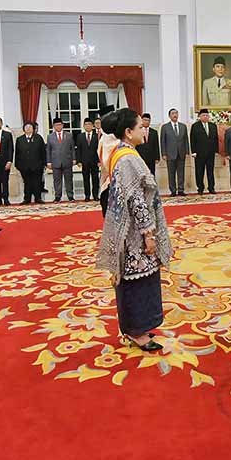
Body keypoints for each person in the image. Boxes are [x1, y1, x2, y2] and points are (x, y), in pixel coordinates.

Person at [96, 108, 173, 352]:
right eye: (140, 127)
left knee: (138, 279)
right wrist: (148, 234)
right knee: (137, 280)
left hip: (131, 231)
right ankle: (137, 331)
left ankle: (135, 327)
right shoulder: (128, 158)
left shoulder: (124, 152)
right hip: (134, 235)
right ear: (128, 132)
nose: (144, 130)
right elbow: (136, 200)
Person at [160, 108, 189, 196]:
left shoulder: (183, 126)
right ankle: (173, 190)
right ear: (169, 116)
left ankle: (181, 189)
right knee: (171, 173)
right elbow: (162, 141)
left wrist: (187, 151)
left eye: (176, 113)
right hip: (170, 154)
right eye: (173, 113)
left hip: (181, 153)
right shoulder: (165, 127)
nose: (175, 115)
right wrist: (164, 154)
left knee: (181, 173)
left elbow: (186, 140)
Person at [15, 122, 46, 204]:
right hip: (24, 166)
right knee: (27, 183)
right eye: (26, 127)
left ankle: (38, 198)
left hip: (37, 165)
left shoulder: (38, 138)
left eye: (30, 127)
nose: (28, 129)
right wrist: (17, 165)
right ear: (24, 129)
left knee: (37, 182)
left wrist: (44, 163)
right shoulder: (19, 139)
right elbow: (17, 153)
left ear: (33, 129)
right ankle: (27, 199)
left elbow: (43, 151)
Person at [47, 117, 76, 202]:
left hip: (67, 160)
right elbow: (48, 150)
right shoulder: (50, 137)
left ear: (62, 125)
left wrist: (74, 158)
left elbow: (72, 148)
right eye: (56, 125)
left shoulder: (69, 135)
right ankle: (57, 196)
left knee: (69, 180)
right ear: (53, 126)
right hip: (55, 161)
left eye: (60, 125)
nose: (58, 127)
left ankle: (70, 196)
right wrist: (48, 161)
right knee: (57, 180)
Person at [190, 108, 218, 195]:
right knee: (199, 171)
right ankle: (200, 188)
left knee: (210, 171)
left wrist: (215, 150)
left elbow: (216, 139)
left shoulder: (213, 126)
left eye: (207, 115)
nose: (205, 117)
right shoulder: (195, 126)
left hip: (210, 153)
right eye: (203, 115)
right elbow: (192, 139)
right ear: (199, 116)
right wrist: (193, 151)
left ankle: (211, 188)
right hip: (199, 154)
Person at [77, 117, 101, 201]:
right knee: (86, 179)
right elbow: (78, 150)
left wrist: (99, 160)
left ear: (92, 126)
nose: (87, 126)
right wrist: (79, 161)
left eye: (89, 124)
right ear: (83, 126)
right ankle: (87, 195)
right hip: (84, 162)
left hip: (94, 161)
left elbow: (99, 149)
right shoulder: (80, 136)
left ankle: (95, 195)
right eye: (86, 124)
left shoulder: (96, 136)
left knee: (95, 179)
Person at [0, 120, 15, 205]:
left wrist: (9, 161)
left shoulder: (7, 135)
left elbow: (10, 149)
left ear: (2, 124)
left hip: (5, 163)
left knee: (5, 181)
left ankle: (6, 199)